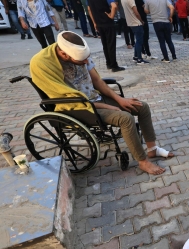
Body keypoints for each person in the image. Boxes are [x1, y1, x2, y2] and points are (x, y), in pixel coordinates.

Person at [29, 31, 174, 174]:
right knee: (125, 118)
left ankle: (152, 149)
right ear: (64, 54)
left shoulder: (78, 53)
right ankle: (142, 162)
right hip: (75, 107)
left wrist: (119, 99)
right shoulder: (42, 64)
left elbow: (97, 80)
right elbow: (66, 98)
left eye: (87, 58)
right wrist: (106, 106)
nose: (86, 62)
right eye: (82, 61)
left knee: (142, 107)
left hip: (93, 98)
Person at [87, 0, 125, 72]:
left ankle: (108, 63)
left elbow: (89, 9)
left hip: (99, 23)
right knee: (111, 44)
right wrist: (111, 16)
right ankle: (114, 65)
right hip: (108, 23)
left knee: (105, 44)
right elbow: (114, 6)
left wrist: (94, 22)